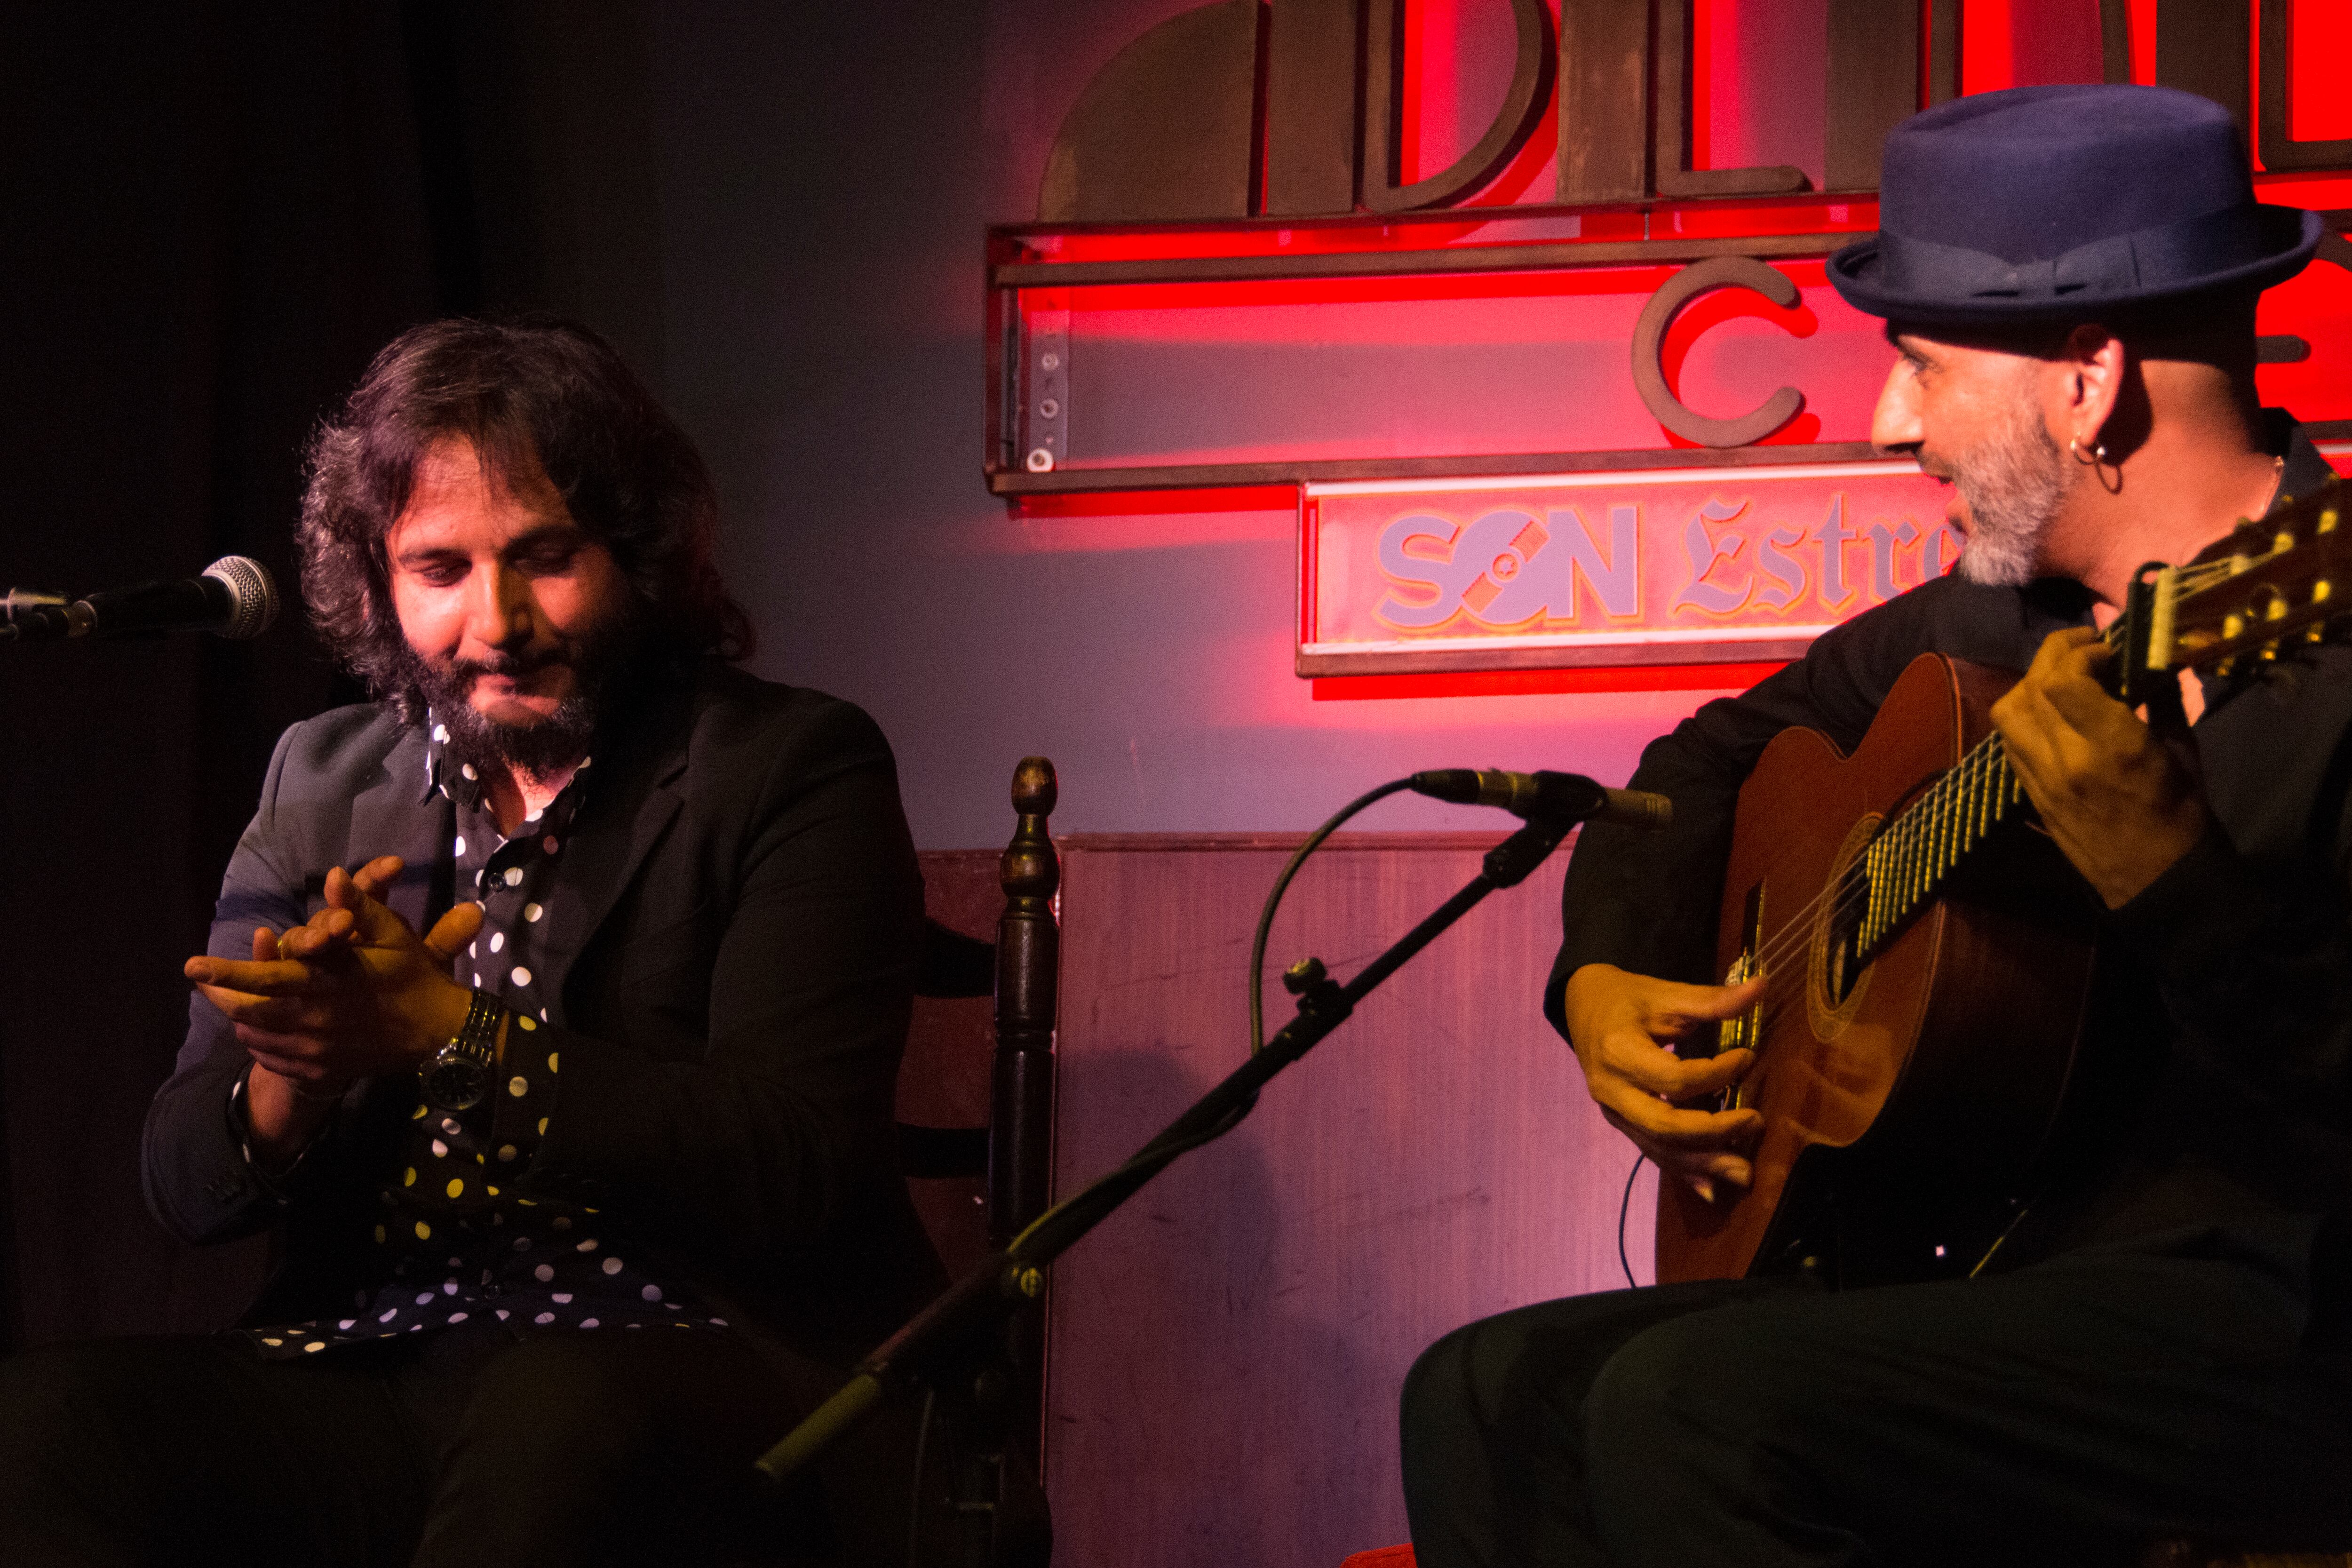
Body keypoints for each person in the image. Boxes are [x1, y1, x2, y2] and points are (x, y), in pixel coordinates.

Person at [1400, 86, 2352, 1566]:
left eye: (1917, 365)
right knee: (1478, 1393)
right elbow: (1705, 763)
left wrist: (2177, 885)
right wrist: (1600, 979)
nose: (1888, 420)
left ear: (2087, 381)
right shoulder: (1986, 625)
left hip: (2279, 1315)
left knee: (1691, 1405)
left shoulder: (2323, 637)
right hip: (1992, 1266)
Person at [0, 318, 948, 1567]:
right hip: (389, 1357)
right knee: (48, 1424)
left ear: (638, 552)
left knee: (553, 1407)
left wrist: (451, 1037)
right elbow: (182, 1183)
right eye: (439, 569)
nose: (494, 619)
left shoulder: (789, 767)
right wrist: (293, 1073)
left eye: (544, 558)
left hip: (698, 1361)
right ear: (378, 582)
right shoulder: (322, 779)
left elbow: (793, 1171)